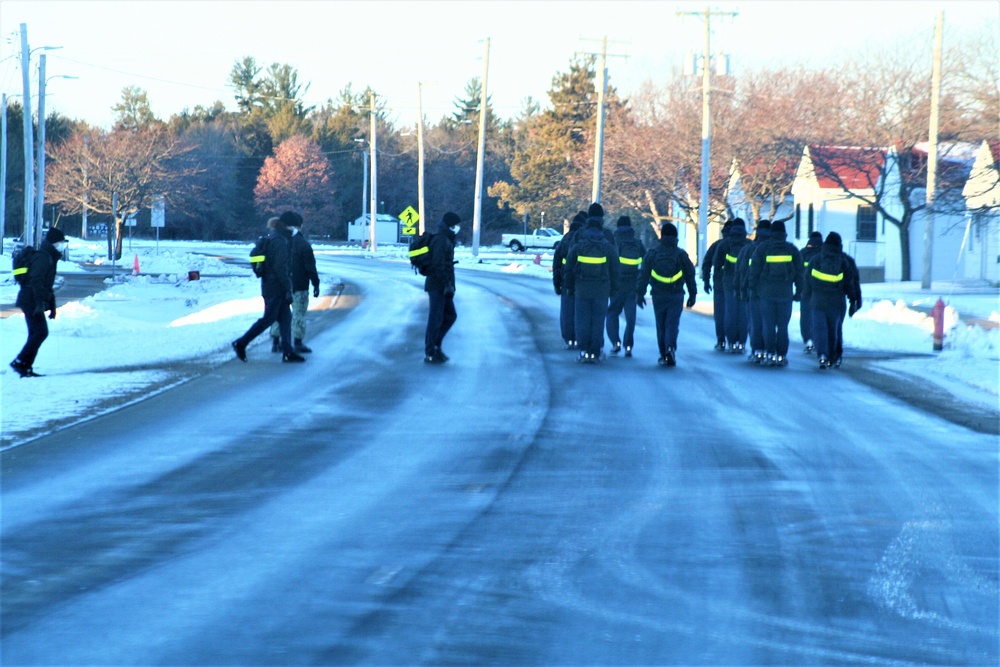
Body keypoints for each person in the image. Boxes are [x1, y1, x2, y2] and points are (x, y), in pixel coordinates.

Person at [232, 216, 305, 363]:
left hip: (270, 285)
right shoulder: (280, 242)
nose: (296, 230)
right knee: (268, 319)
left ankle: (288, 352)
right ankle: (241, 343)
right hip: (276, 287)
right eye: (295, 227)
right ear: (288, 226)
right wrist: (287, 289)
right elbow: (281, 269)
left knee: (285, 319)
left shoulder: (273, 237)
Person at [636, 221, 697, 366]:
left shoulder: (653, 253)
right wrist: (692, 294)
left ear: (661, 236)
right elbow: (690, 275)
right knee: (672, 323)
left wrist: (640, 293)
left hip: (658, 294)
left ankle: (663, 353)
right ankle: (671, 348)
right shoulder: (681, 254)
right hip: (676, 294)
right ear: (675, 237)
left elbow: (644, 274)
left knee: (661, 324)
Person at [10, 228, 68, 378]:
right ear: (54, 243)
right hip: (30, 301)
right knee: (41, 332)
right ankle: (20, 362)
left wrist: (51, 306)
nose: (63, 245)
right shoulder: (44, 258)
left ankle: (25, 366)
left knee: (36, 333)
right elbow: (36, 281)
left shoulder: (49, 256)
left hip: (30, 300)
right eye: (61, 242)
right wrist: (39, 304)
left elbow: (47, 287)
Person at [565, 203, 619, 363]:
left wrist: (569, 286)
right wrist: (614, 289)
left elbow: (569, 265)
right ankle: (595, 351)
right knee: (598, 320)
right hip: (602, 289)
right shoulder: (608, 237)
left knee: (582, 320)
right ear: (602, 217)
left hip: (581, 288)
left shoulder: (579, 236)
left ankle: (583, 351)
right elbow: (615, 267)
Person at [801, 232, 862, 369]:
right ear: (839, 245)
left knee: (820, 328)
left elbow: (807, 279)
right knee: (835, 329)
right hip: (837, 302)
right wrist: (855, 300)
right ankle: (836, 356)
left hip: (817, 301)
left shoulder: (816, 260)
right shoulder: (846, 261)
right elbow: (852, 283)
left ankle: (822, 354)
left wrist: (806, 296)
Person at [748, 219, 803, 367]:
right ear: (784, 233)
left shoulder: (762, 248)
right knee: (783, 327)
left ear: (771, 233)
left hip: (766, 294)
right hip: (785, 294)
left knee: (768, 325)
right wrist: (799, 291)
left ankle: (770, 353)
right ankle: (781, 356)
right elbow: (799, 273)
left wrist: (753, 289)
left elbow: (754, 271)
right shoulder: (792, 249)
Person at [269, 211, 321, 354]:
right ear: (299, 225)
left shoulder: (274, 240)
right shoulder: (303, 244)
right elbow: (310, 267)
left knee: (279, 313)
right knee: (298, 313)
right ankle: (297, 342)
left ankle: (276, 342)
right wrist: (315, 283)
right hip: (299, 285)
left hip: (278, 286)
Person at [423, 212, 461, 363]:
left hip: (444, 286)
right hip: (437, 286)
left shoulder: (446, 239)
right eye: (456, 225)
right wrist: (446, 285)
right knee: (435, 319)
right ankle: (430, 352)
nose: (458, 228)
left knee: (450, 316)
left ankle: (436, 347)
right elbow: (438, 266)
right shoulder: (440, 240)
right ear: (450, 225)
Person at [606, 216, 646, 357]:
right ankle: (628, 345)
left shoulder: (613, 242)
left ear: (618, 227)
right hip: (633, 285)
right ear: (630, 228)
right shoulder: (638, 243)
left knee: (612, 314)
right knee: (630, 317)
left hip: (616, 286)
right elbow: (646, 265)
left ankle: (615, 343)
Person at [711, 218, 750, 353]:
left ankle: (731, 342)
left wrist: (719, 279)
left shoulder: (724, 244)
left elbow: (716, 265)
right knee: (743, 314)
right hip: (745, 283)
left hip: (728, 284)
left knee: (730, 313)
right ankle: (742, 343)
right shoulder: (749, 245)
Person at [735, 219, 770, 363]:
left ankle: (757, 351)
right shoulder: (774, 248)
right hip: (770, 293)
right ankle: (770, 350)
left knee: (755, 322)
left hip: (753, 291)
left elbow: (741, 271)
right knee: (769, 323)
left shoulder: (749, 249)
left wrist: (741, 290)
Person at [552, 211, 587, 349]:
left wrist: (557, 283)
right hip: (580, 281)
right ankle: (579, 338)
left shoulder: (565, 239)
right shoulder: (584, 239)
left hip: (566, 281)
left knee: (567, 310)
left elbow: (556, 262)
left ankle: (568, 339)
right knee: (580, 311)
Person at [702, 221, 728, 351]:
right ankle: (736, 340)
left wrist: (706, 281)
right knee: (738, 313)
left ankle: (721, 340)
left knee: (720, 313)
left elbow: (706, 263)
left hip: (719, 284)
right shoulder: (746, 245)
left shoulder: (717, 245)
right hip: (739, 285)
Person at [798, 231, 824, 354]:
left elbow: (797, 272)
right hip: (821, 293)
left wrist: (798, 288)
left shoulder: (803, 253)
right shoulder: (825, 254)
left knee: (806, 317)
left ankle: (807, 340)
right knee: (819, 318)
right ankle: (818, 340)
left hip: (805, 291)